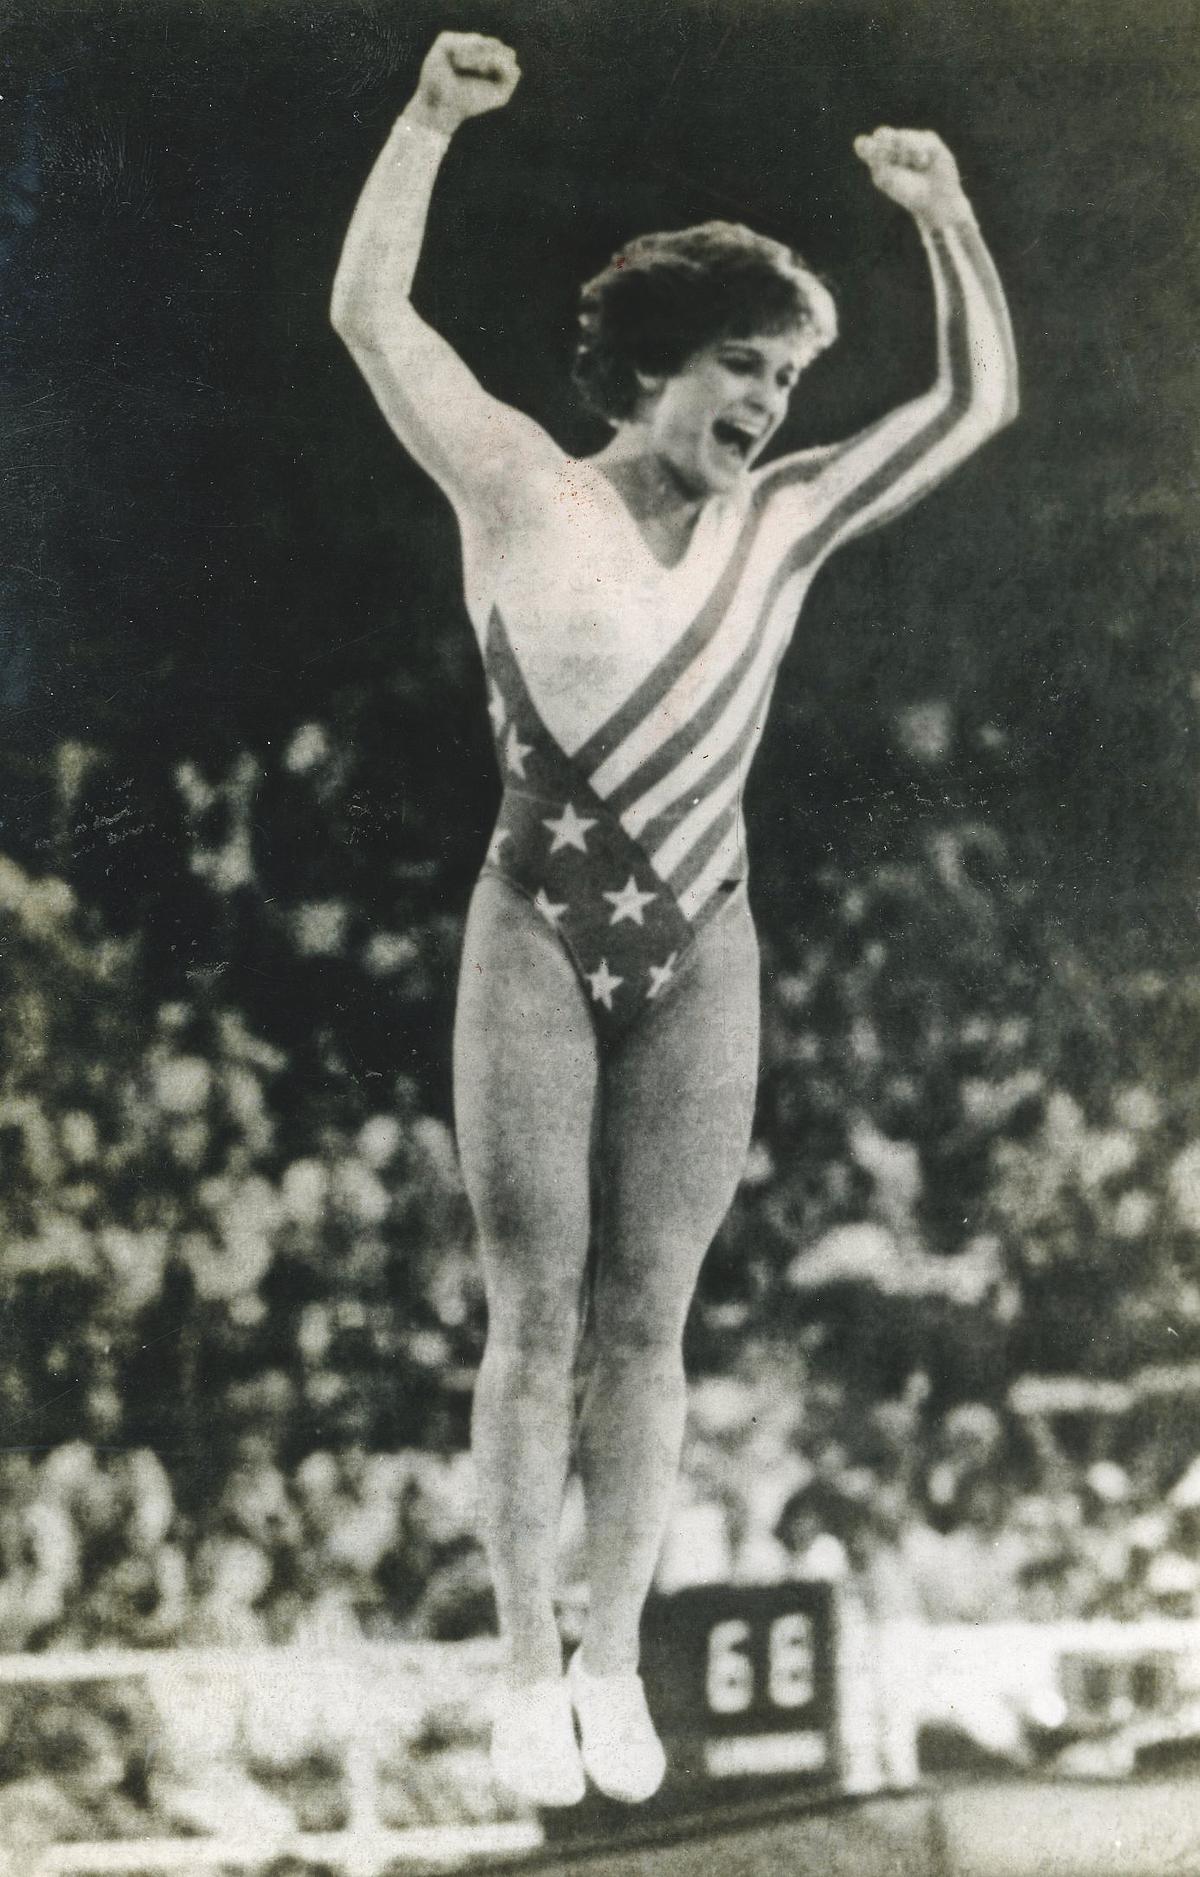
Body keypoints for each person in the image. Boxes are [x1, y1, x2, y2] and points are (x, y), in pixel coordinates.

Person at [331, 30, 1018, 1807]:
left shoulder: (786, 517)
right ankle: (513, 1662)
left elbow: (973, 409)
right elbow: (371, 321)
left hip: (702, 933)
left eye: (788, 377)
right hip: (538, 923)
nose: (769, 406)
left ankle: (615, 1657)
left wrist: (947, 223)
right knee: (532, 1305)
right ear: (655, 364)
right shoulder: (517, 488)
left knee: (654, 1316)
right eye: (742, 367)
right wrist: (424, 123)